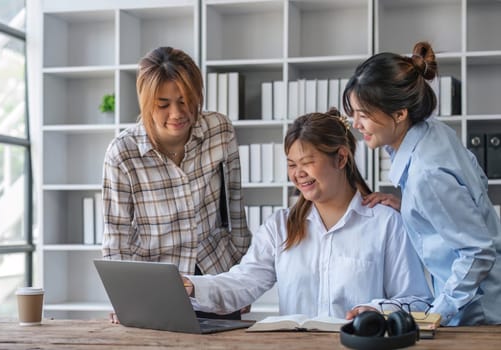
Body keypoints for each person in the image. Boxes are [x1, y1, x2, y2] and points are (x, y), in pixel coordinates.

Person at [183, 110, 433, 320]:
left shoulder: (385, 222)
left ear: (341, 158)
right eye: (292, 164)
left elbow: (417, 301)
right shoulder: (279, 227)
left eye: (307, 162)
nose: (298, 173)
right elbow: (242, 282)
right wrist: (193, 287)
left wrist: (375, 310)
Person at [343, 41, 501, 326]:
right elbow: (474, 186)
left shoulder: (425, 174)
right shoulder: (433, 132)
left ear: (400, 114)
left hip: (481, 313)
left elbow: (478, 251)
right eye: (354, 113)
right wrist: (412, 207)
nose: (356, 124)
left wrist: (434, 314)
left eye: (363, 114)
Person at [101, 46, 252, 320]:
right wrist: (123, 298)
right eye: (163, 104)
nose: (177, 113)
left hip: (215, 278)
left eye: (185, 100)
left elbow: (235, 208)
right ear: (146, 102)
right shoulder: (122, 152)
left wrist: (241, 283)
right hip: (154, 289)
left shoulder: (220, 130)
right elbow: (117, 237)